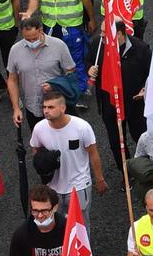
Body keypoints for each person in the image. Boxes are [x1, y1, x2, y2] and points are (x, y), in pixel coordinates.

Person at [30, 85, 107, 217]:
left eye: (51, 107)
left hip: (79, 185)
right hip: (53, 187)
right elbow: (35, 150)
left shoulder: (82, 127)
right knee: (57, 224)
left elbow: (93, 153)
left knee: (79, 226)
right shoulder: (39, 129)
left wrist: (99, 179)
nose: (46, 111)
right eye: (44, 107)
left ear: (63, 108)